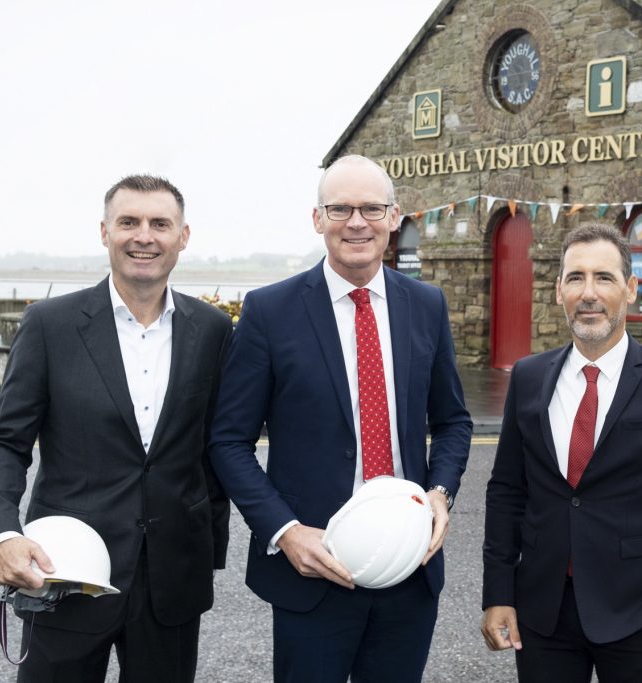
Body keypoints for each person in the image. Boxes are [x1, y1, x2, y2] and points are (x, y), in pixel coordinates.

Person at [208, 154, 472, 682]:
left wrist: (441, 492)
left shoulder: (426, 305)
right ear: (317, 219)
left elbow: (453, 423)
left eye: (372, 208)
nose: (357, 222)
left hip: (409, 566)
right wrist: (284, 532)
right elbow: (228, 441)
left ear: (394, 217)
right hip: (314, 569)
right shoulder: (269, 311)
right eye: (341, 209)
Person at [0, 175, 232, 682]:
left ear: (183, 236)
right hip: (66, 572)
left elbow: (214, 449)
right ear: (104, 232)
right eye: (128, 222)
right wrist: (0, 534)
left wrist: (206, 548)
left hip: (171, 584)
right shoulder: (50, 325)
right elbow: (4, 443)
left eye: (160, 223)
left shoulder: (213, 330)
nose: (144, 236)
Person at [481, 223, 642, 682]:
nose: (588, 293)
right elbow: (507, 491)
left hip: (640, 613)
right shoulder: (530, 377)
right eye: (575, 278)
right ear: (558, 291)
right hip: (541, 612)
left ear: (630, 289)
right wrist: (498, 593)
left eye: (604, 278)